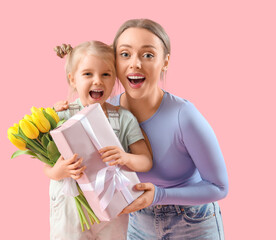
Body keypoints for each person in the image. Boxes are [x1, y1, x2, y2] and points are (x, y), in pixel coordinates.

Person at [111, 19, 229, 239]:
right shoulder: (106, 113)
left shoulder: (183, 116)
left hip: (193, 222)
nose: (135, 63)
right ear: (114, 61)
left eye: (148, 55)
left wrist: (159, 195)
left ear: (165, 62)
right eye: (125, 54)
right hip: (139, 222)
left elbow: (219, 187)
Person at [47, 41, 152, 240]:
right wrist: (57, 171)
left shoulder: (124, 118)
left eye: (106, 74)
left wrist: (125, 157)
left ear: (115, 80)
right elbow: (46, 166)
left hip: (113, 205)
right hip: (71, 207)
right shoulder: (60, 117)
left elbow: (145, 161)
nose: (98, 81)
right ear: (72, 80)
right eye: (88, 74)